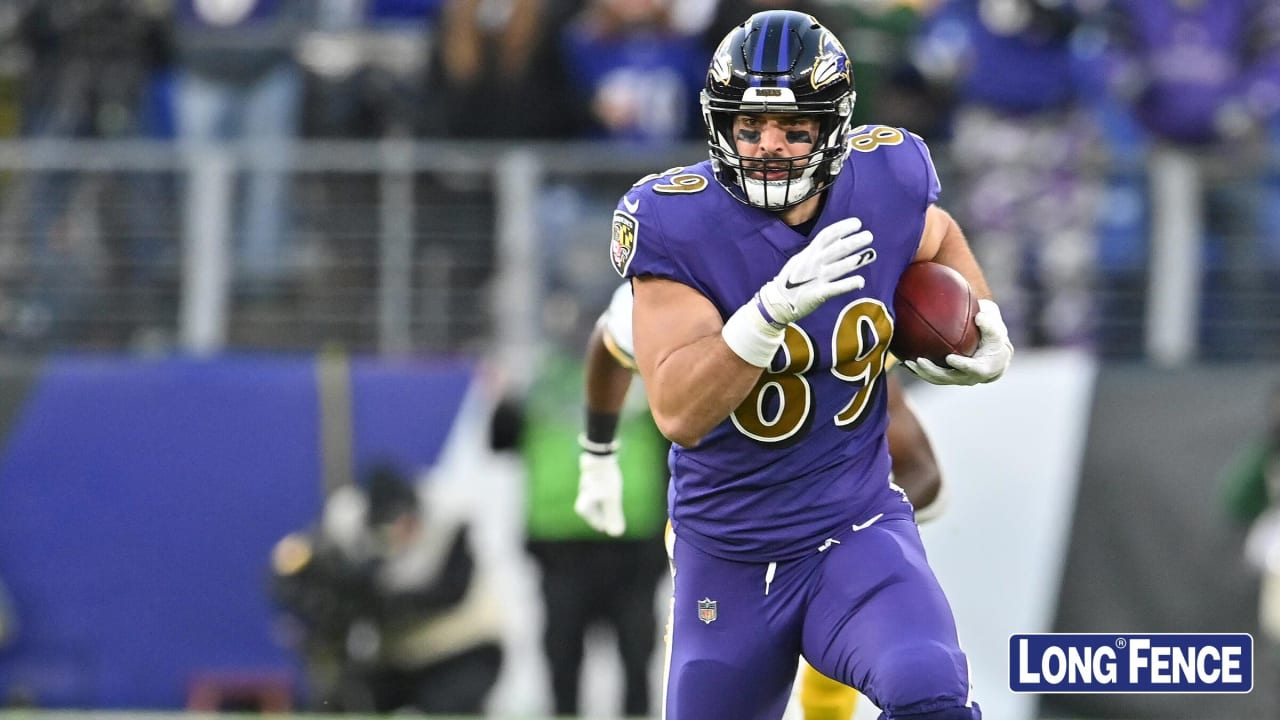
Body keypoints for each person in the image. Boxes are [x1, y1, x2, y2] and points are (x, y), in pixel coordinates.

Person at [613, 10, 1013, 719]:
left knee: (931, 693)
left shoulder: (886, 176)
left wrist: (983, 316)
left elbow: (938, 233)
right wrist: (765, 317)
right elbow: (677, 410)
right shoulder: (677, 224)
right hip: (730, 555)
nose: (770, 147)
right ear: (720, 126)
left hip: (854, 527)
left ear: (834, 129)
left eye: (795, 129)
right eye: (751, 127)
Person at [577, 281, 949, 720]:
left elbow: (921, 470)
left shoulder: (841, 313)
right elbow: (609, 344)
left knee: (858, 696)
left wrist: (868, 527)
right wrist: (597, 455)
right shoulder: (672, 292)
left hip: (829, 552)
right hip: (724, 551)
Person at [269, 465, 504, 714]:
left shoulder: (448, 519)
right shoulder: (346, 522)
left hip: (461, 649)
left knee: (446, 706)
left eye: (405, 523)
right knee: (338, 702)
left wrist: (382, 603)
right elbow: (297, 570)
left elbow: (452, 593)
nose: (398, 534)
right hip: (396, 658)